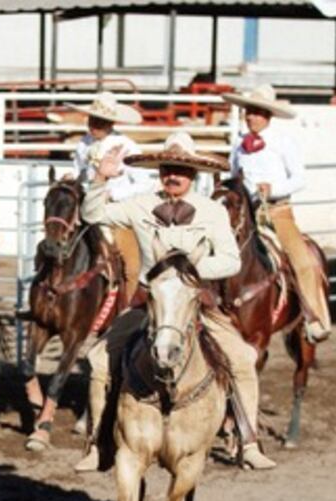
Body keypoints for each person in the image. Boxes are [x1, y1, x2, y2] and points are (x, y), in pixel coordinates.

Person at [76, 132, 277, 472]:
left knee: (243, 357)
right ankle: (97, 444)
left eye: (181, 170)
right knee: (98, 360)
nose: (173, 175)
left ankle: (249, 440)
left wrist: (190, 271)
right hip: (149, 304)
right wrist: (99, 178)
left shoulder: (212, 211)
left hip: (195, 303)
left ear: (193, 175)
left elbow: (231, 260)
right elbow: (92, 214)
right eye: (168, 168)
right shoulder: (139, 204)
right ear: (160, 171)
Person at [223, 84, 330, 342]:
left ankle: (314, 317)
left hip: (277, 211)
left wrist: (273, 189)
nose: (251, 117)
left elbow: (300, 179)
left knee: (302, 260)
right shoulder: (239, 145)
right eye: (249, 112)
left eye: (257, 112)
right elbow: (233, 175)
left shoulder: (283, 143)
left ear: (268, 115)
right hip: (244, 213)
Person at [68, 91, 154, 298]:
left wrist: (114, 193)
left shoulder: (128, 146)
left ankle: (129, 312)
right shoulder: (83, 144)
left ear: (111, 123)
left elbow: (146, 183)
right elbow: (79, 171)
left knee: (132, 268)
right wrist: (71, 179)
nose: (93, 125)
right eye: (92, 120)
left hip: (115, 214)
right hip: (85, 209)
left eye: (100, 121)